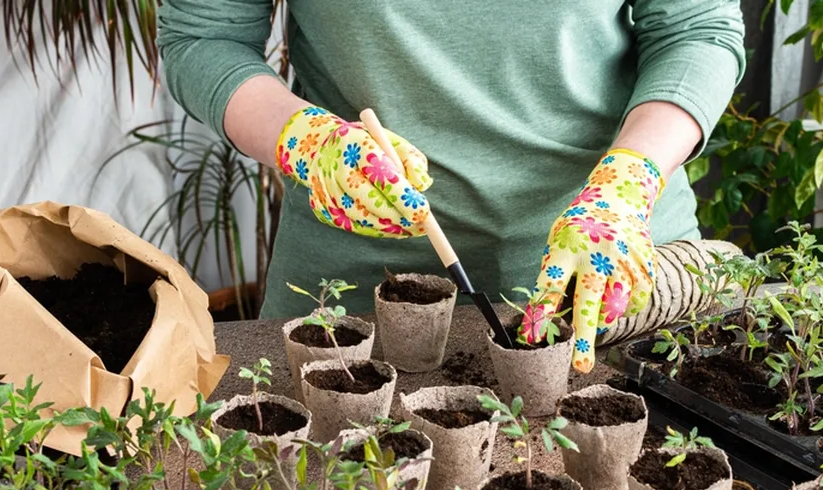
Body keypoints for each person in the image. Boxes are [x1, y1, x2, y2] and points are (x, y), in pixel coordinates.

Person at [156, 1, 746, 372]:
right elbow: (204, 38)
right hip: (355, 299)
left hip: (612, 274)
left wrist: (629, 183)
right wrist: (304, 141)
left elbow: (698, 29)